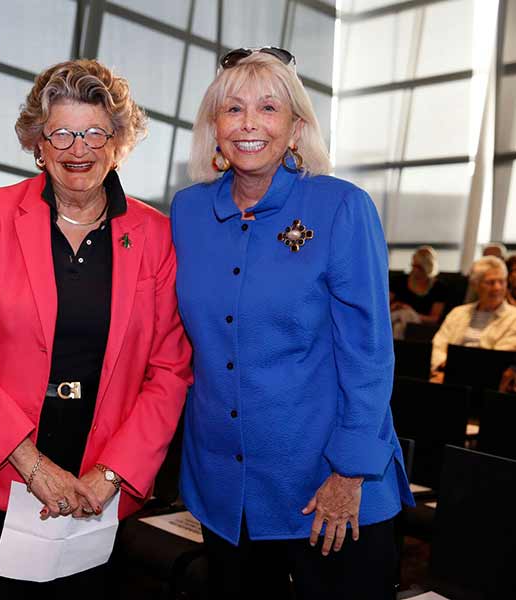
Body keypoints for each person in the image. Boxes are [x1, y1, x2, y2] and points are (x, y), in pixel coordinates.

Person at [0, 59, 192, 599]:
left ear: (118, 141)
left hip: (99, 492)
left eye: (96, 131)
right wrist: (31, 464)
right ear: (38, 142)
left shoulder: (156, 235)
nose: (79, 148)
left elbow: (170, 372)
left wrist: (112, 474)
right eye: (63, 133)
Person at [171, 48, 413, 599]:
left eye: (269, 108)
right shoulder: (187, 213)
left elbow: (369, 353)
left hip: (326, 487)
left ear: (297, 127)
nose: (249, 123)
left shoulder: (341, 208)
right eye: (232, 109)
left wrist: (349, 473)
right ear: (214, 127)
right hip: (225, 490)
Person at [431, 255, 516, 376]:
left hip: (485, 383)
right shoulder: (458, 313)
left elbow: (498, 360)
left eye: (502, 281)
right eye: (490, 282)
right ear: (475, 285)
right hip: (445, 375)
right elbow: (437, 346)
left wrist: (453, 371)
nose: (497, 287)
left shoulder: (514, 318)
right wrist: (444, 368)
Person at [389, 245, 447, 337]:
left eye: (418, 267)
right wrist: (394, 307)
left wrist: (412, 312)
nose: (414, 269)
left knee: (401, 322)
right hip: (395, 317)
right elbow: (384, 305)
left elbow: (435, 319)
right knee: (399, 320)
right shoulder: (399, 281)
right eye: (413, 265)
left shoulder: (438, 288)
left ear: (427, 267)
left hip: (419, 325)